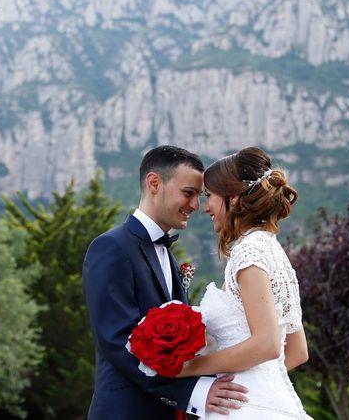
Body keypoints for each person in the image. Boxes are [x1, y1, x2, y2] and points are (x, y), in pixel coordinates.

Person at [83, 145, 249, 419]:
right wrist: (194, 392)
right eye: (189, 193)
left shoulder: (167, 256)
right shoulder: (111, 247)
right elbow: (118, 343)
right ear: (154, 183)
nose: (196, 206)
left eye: (199, 196)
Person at [177, 146, 311, 419]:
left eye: (210, 196)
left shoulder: (249, 253)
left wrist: (190, 367)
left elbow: (268, 345)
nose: (206, 208)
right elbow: (297, 352)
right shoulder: (274, 252)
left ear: (234, 198)